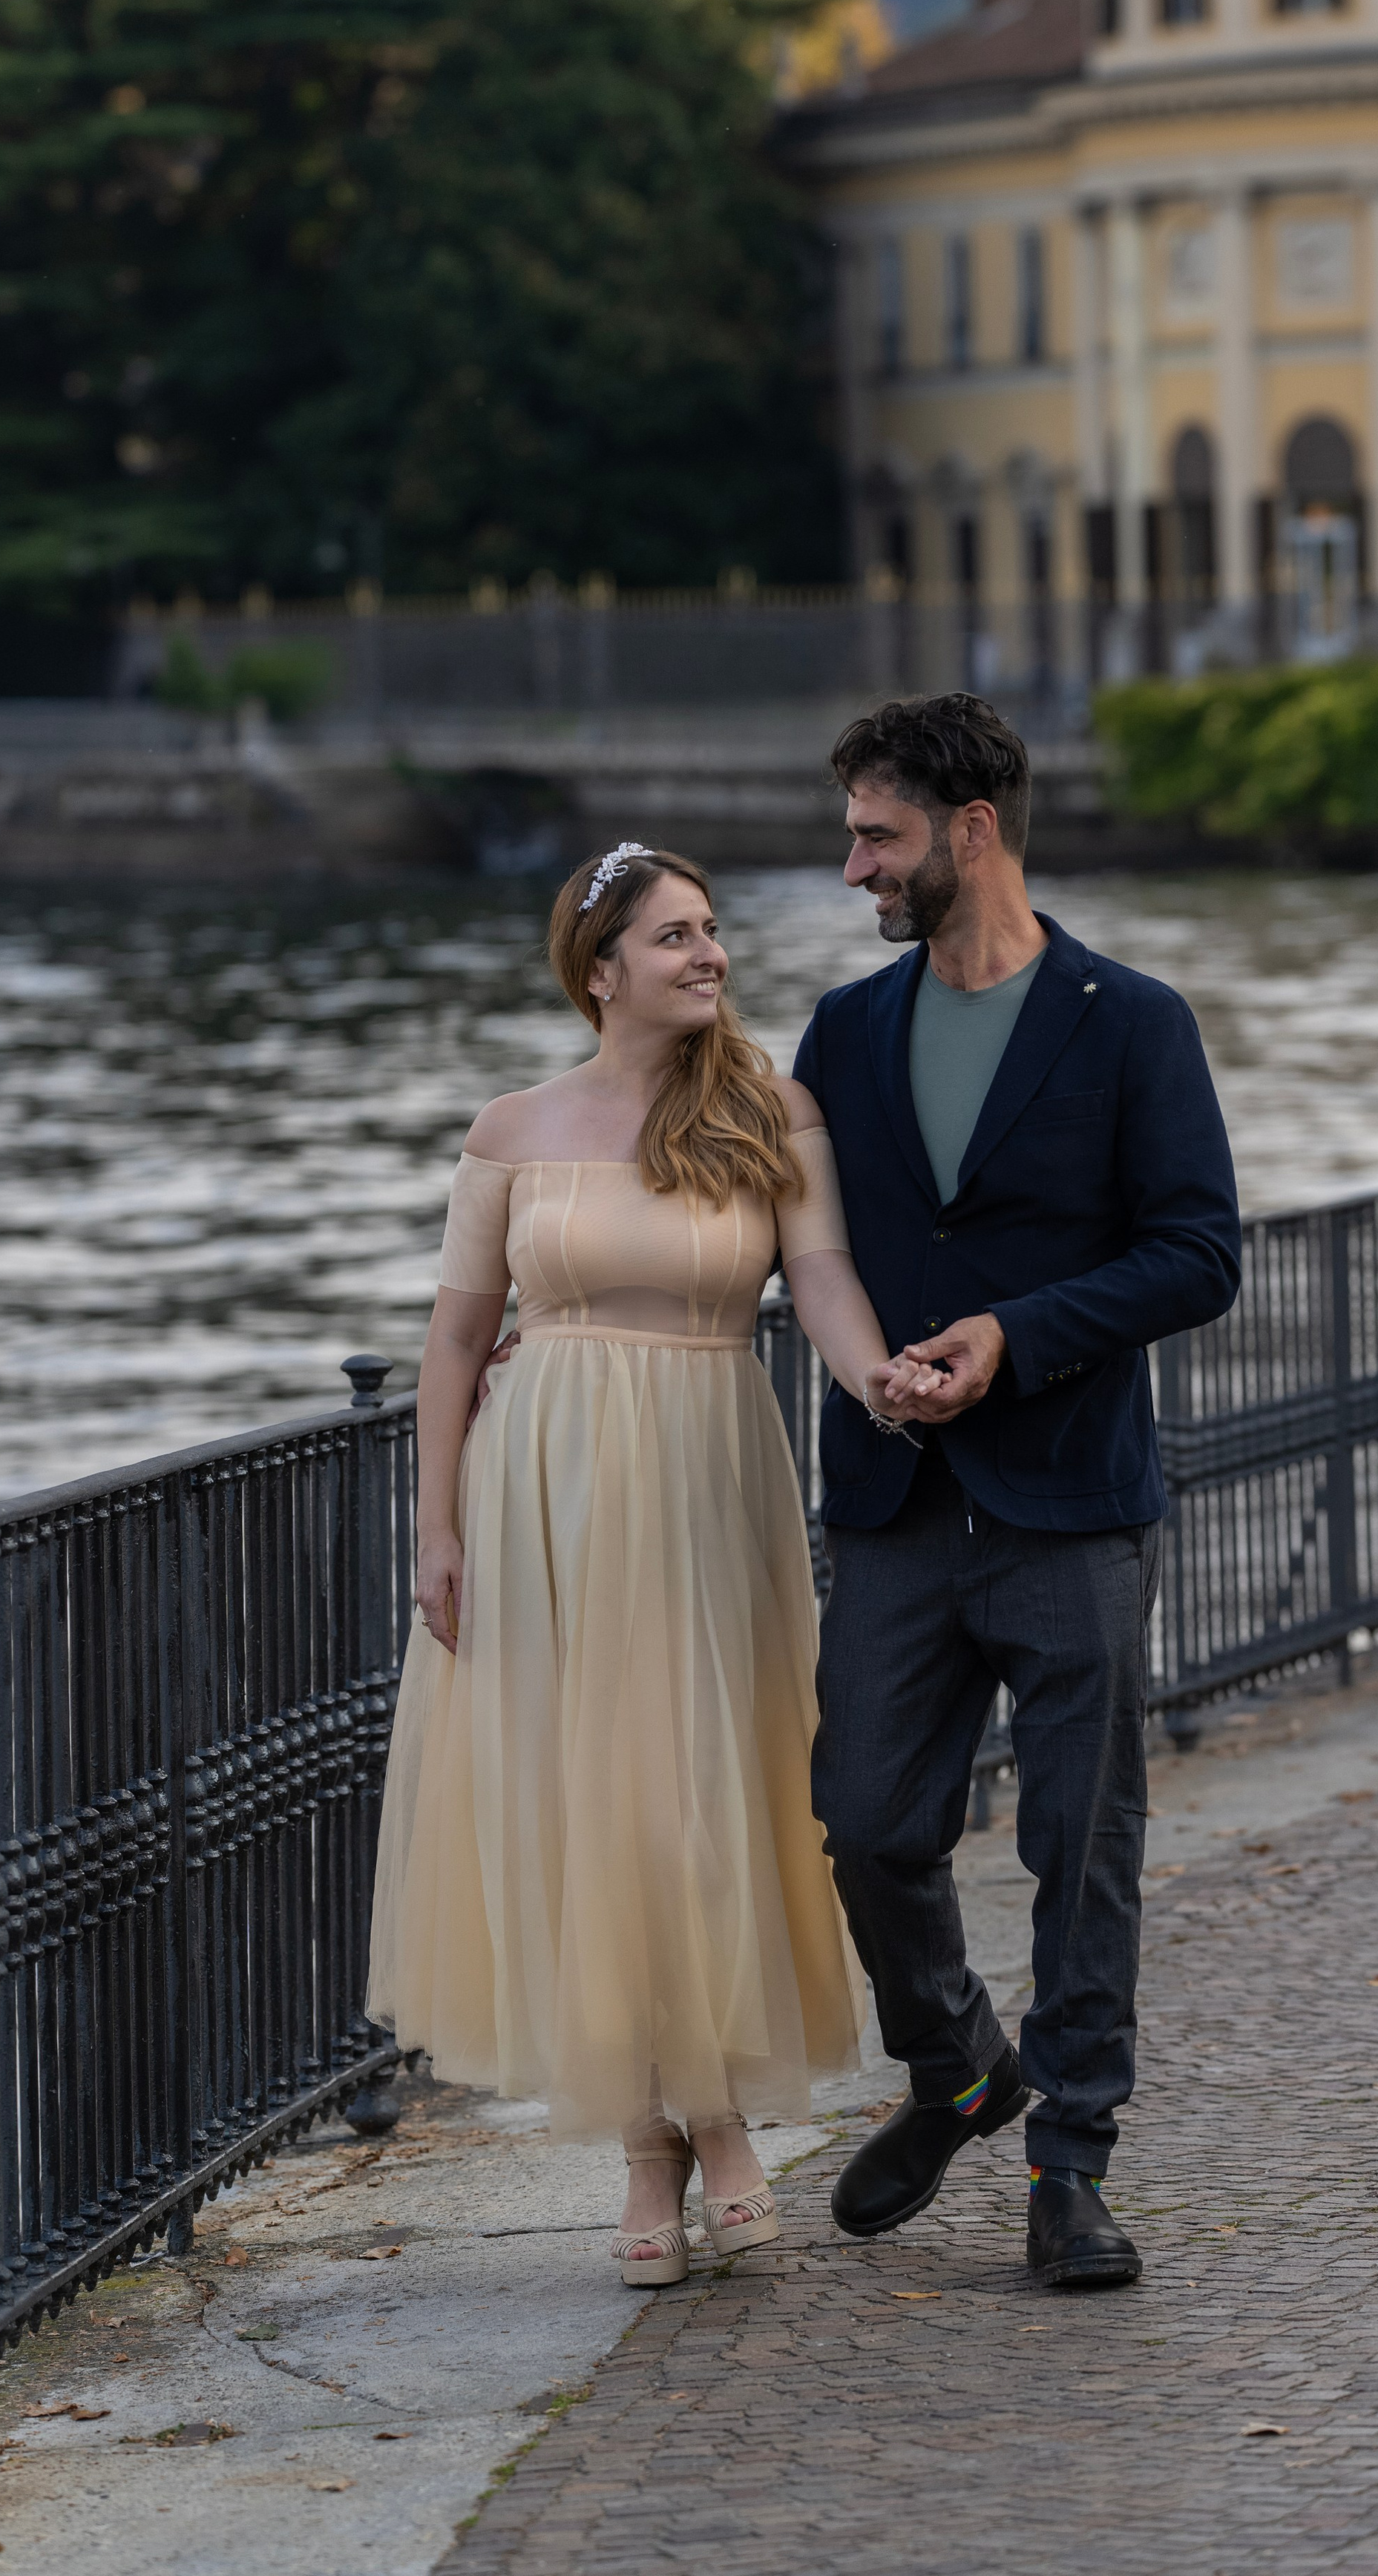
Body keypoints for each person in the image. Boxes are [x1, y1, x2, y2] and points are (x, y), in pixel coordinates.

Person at [369, 842, 910, 2290]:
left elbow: (829, 1282)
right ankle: (642, 2142)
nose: (708, 956)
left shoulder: (766, 1112)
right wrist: (435, 1529)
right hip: (542, 1490)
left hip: (705, 1474)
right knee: (595, 1811)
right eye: (673, 938)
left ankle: (719, 2115)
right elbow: (449, 1338)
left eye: (712, 932)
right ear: (597, 969)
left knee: (701, 1800)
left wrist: (871, 1381)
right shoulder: (509, 1132)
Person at [793, 695, 1241, 2288]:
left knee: (1081, 1839)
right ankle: (959, 2066)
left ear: (969, 831)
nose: (851, 866)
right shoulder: (843, 1035)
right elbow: (803, 1243)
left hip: (1069, 1501)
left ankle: (1069, 2165)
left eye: (876, 835)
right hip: (894, 1502)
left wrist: (1011, 1336)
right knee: (860, 1825)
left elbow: (1198, 1254)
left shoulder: (1131, 1021)